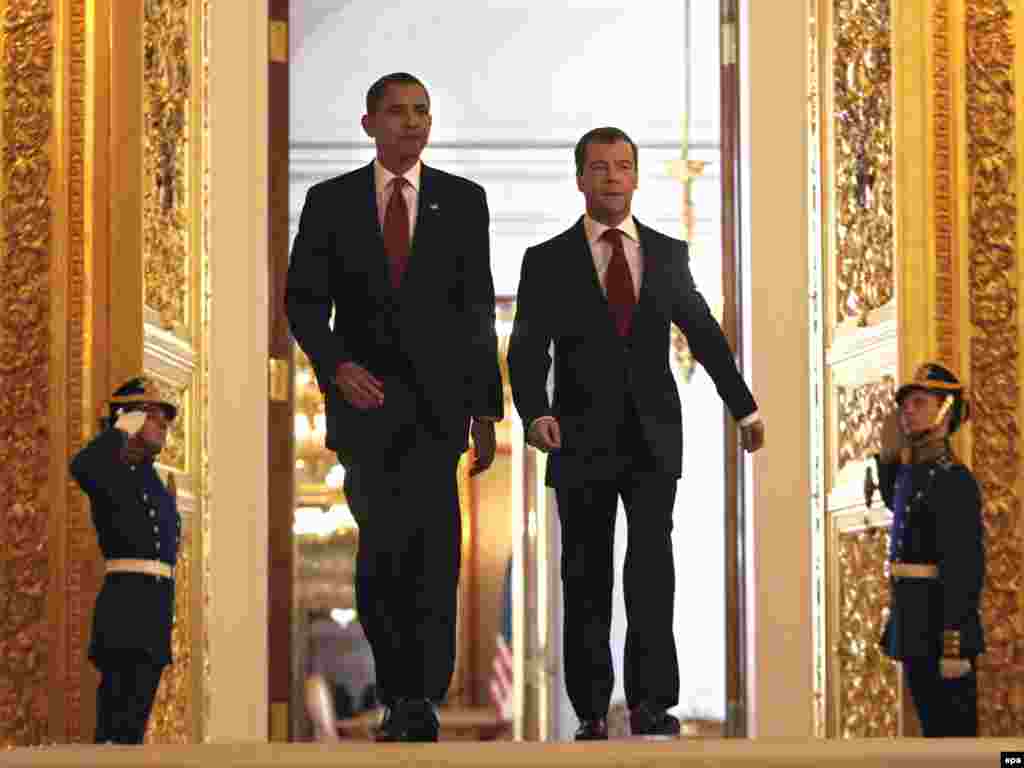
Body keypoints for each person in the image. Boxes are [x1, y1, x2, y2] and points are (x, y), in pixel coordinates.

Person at [507, 127, 765, 741]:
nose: (613, 177)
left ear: (636, 176)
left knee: (652, 572)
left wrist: (745, 409)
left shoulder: (668, 253)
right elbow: (524, 351)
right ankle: (593, 709)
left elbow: (704, 335)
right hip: (577, 442)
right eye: (599, 167)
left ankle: (653, 703)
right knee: (585, 575)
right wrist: (533, 412)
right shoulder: (546, 259)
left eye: (623, 166)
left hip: (652, 441)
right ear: (580, 179)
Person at [285, 72, 503, 742]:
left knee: (436, 551)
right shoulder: (330, 202)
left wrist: (486, 412)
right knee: (385, 550)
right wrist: (336, 367)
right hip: (368, 409)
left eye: (422, 112)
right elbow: (301, 302)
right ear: (369, 124)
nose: (413, 122)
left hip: (439, 412)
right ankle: (397, 684)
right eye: (399, 112)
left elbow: (476, 310)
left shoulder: (464, 202)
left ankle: (421, 698)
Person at [874, 362, 984, 737]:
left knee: (955, 739)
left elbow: (965, 567)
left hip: (940, 626)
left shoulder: (955, 479)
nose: (907, 410)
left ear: (945, 409)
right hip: (913, 622)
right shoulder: (913, 472)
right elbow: (899, 504)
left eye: (919, 402)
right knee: (932, 734)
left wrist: (953, 643)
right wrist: (887, 457)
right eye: (905, 403)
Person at [69, 376, 181, 744]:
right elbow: (82, 466)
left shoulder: (154, 481)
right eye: (152, 416)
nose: (163, 425)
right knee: (114, 731)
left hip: (153, 615)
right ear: (128, 418)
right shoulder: (111, 471)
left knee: (133, 730)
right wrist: (123, 424)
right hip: (124, 613)